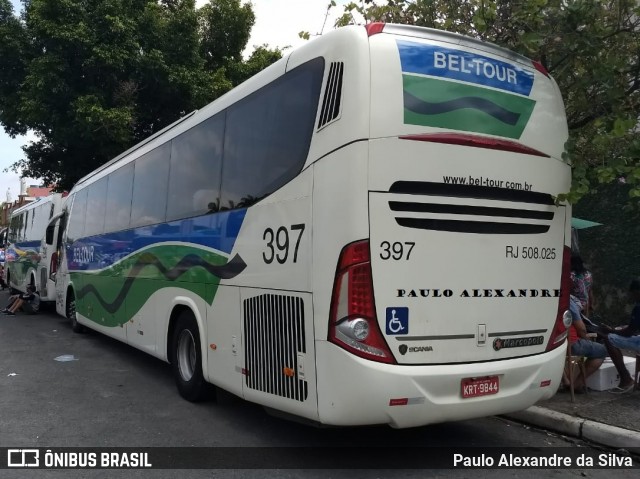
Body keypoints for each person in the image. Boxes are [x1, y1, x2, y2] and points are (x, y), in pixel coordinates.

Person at [600, 278, 640, 393]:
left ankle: (626, 379)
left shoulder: (638, 307)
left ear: (637, 292)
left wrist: (612, 330)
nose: (632, 297)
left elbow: (629, 332)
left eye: (632, 294)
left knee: (609, 338)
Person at [564, 296, 606, 391]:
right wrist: (588, 339)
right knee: (602, 350)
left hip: (555, 345)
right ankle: (577, 385)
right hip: (571, 344)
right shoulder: (568, 301)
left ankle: (566, 381)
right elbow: (582, 329)